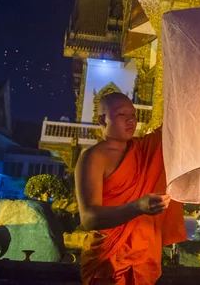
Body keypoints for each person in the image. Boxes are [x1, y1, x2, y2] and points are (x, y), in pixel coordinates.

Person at [75, 92, 186, 285]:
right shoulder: (93, 157)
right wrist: (137, 207)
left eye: (133, 115)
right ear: (102, 119)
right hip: (108, 260)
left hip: (143, 255)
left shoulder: (144, 150)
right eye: (121, 115)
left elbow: (175, 125)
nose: (130, 120)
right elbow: (88, 218)